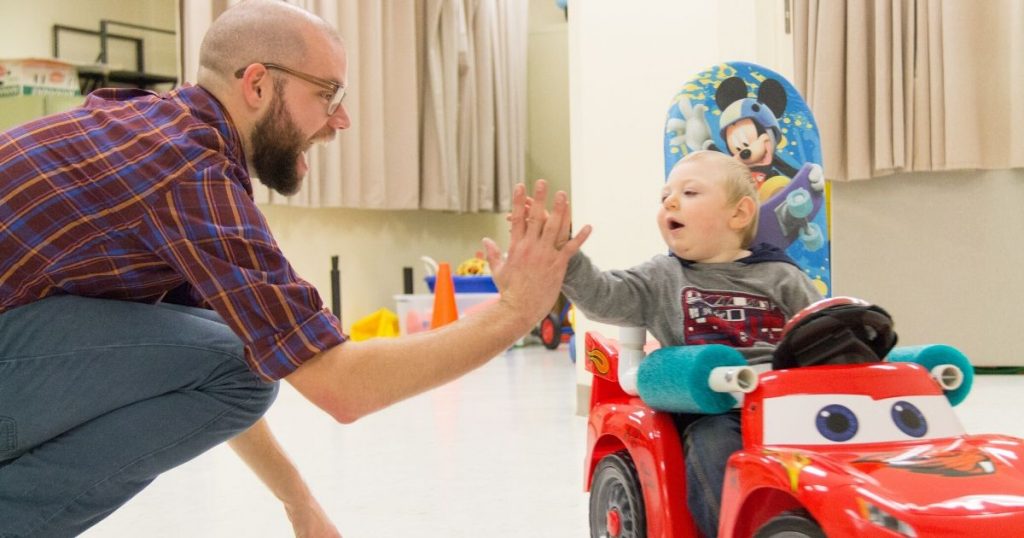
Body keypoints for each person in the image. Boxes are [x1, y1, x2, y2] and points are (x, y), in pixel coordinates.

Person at [0, 1, 591, 536]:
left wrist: (299, 506)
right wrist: (516, 309)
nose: (341, 121)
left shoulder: (159, 133)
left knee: (233, 356)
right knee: (241, 367)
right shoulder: (187, 171)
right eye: (328, 94)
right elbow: (338, 386)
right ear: (257, 83)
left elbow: (226, 357)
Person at [560, 150, 821, 537]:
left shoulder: (783, 277)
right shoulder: (663, 277)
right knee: (712, 444)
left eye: (690, 192)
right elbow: (604, 296)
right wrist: (565, 258)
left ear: (739, 213)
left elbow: (818, 332)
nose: (670, 201)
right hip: (710, 409)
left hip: (785, 404)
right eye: (665, 195)